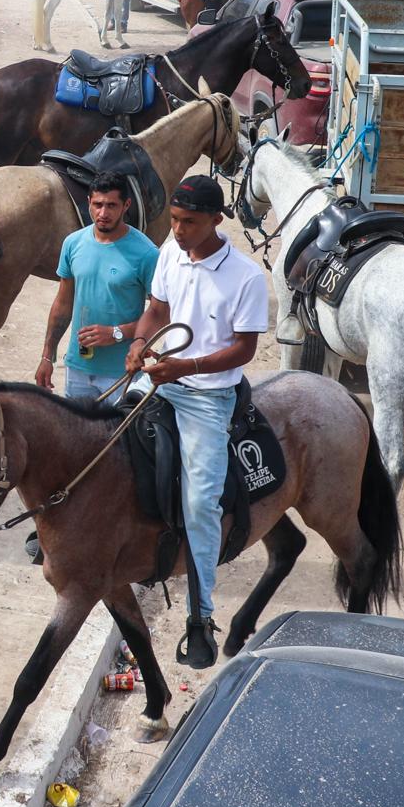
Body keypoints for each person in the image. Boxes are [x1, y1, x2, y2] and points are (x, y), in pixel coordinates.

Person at [123, 174, 269, 669]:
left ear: (216, 220)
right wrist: (139, 343)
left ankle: (201, 617)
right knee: (103, 434)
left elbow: (244, 350)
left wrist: (185, 367)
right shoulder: (170, 252)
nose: (178, 230)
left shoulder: (246, 277)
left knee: (200, 503)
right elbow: (156, 310)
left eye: (189, 222)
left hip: (208, 398)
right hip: (161, 378)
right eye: (174, 220)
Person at [38, 171, 160, 402]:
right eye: (98, 204)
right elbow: (62, 304)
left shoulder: (146, 253)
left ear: (126, 205)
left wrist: (115, 333)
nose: (103, 213)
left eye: (111, 205)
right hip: (77, 369)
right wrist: (47, 357)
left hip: (123, 373)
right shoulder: (73, 243)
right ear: (89, 203)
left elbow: (161, 314)